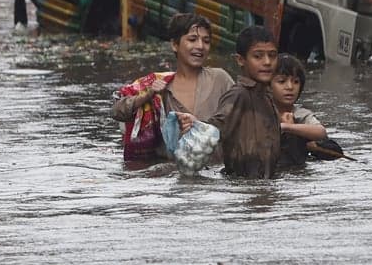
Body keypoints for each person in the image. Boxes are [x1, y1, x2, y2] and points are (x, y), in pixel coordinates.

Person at [111, 13, 234, 159]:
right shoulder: (158, 84)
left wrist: (201, 126)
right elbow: (117, 112)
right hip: (171, 174)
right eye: (192, 39)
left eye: (206, 41)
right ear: (175, 45)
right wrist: (147, 95)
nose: (200, 46)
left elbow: (240, 119)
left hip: (214, 172)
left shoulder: (219, 79)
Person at [177, 25, 281, 178]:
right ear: (240, 60)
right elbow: (215, 128)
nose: (267, 62)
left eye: (272, 55)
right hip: (241, 188)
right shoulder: (238, 95)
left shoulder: (267, 97)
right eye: (258, 56)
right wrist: (197, 125)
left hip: (263, 183)